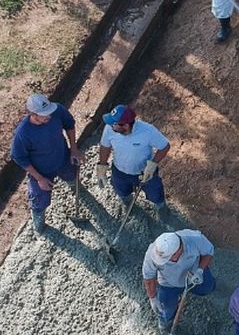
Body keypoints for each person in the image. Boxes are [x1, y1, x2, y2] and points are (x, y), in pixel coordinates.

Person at [10, 92, 81, 233]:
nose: (49, 116)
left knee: (72, 176)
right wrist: (40, 178)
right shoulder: (23, 134)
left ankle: (77, 190)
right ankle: (39, 224)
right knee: (39, 200)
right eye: (44, 114)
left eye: (49, 112)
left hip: (62, 158)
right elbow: (19, 158)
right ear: (33, 114)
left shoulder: (57, 110)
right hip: (41, 170)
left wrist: (74, 149)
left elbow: (70, 125)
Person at [96, 104, 170, 214]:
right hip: (120, 170)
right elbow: (105, 146)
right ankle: (127, 202)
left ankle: (161, 208)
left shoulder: (147, 131)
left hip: (145, 172)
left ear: (125, 125)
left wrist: (152, 165)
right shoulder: (109, 129)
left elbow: (164, 146)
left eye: (114, 124)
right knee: (121, 190)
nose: (111, 126)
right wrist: (102, 166)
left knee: (155, 192)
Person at [143, 230, 216, 331]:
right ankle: (166, 320)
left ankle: (209, 288)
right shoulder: (152, 253)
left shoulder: (195, 239)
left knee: (208, 288)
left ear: (179, 250)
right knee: (165, 308)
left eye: (168, 258)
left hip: (193, 275)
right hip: (169, 283)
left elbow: (208, 252)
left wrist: (200, 271)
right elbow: (149, 277)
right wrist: (152, 298)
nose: (166, 261)